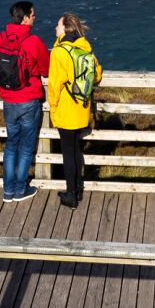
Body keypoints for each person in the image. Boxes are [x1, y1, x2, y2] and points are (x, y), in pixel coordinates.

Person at [0, 0, 50, 202]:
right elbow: (46, 69)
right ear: (24, 18)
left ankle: (8, 190)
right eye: (32, 14)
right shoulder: (33, 42)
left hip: (8, 100)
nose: (35, 17)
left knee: (11, 143)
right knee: (25, 147)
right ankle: (20, 189)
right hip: (28, 99)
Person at [48, 12, 102, 208]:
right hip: (82, 108)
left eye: (58, 25)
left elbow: (54, 86)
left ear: (65, 29)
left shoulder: (59, 52)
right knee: (77, 150)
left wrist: (53, 110)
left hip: (66, 109)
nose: (55, 28)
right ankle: (78, 189)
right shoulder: (85, 49)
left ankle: (71, 194)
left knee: (68, 153)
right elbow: (97, 74)